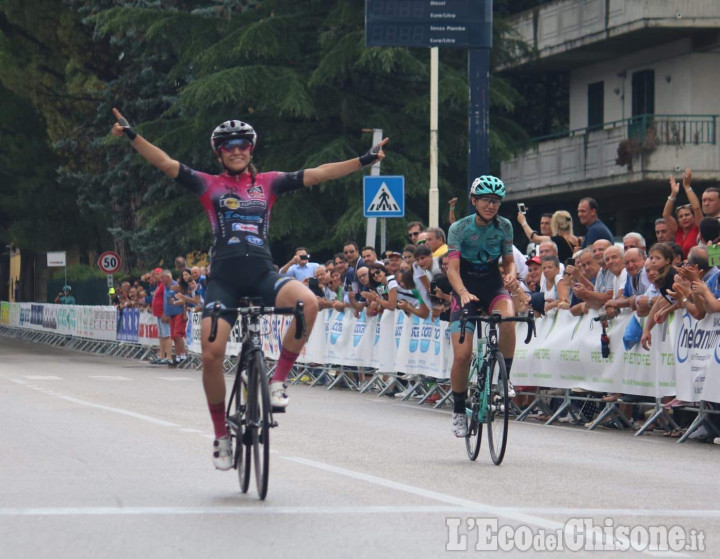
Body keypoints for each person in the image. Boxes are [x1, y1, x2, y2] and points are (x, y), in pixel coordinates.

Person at [111, 108, 388, 470]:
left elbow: (319, 173)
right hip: (223, 281)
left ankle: (278, 381)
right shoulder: (207, 183)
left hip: (262, 274)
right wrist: (133, 135)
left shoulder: (269, 182)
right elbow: (165, 162)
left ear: (251, 149)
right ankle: (221, 436)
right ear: (219, 152)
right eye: (228, 146)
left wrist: (364, 160)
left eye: (242, 144)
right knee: (211, 355)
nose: (236, 150)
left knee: (308, 304)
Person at [446, 175, 516, 438]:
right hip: (464, 287)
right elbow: (452, 269)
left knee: (508, 320)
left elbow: (508, 261)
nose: (492, 205)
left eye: (496, 201)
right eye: (487, 200)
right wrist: (462, 292)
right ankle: (458, 410)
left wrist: (510, 273)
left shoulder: (505, 226)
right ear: (474, 201)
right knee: (463, 356)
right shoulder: (459, 229)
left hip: (492, 284)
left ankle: (504, 378)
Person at [662, 169, 701, 258]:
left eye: (687, 215)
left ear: (694, 217)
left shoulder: (698, 228)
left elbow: (696, 208)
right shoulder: (678, 231)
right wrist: (673, 194)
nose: (684, 218)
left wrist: (687, 187)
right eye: (680, 216)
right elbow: (666, 215)